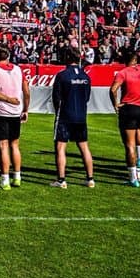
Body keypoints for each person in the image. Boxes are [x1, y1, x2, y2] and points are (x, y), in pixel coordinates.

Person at [109, 49, 140, 187]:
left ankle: (133, 178)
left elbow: (113, 89)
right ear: (136, 60)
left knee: (129, 145)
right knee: (138, 129)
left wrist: (116, 104)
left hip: (128, 107)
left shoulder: (123, 73)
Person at [50, 47, 95, 188]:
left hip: (65, 115)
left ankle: (61, 180)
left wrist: (59, 110)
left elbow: (56, 97)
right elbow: (87, 97)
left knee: (60, 146)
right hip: (81, 116)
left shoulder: (62, 75)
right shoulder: (85, 76)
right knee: (84, 146)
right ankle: (90, 178)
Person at [0, 45, 29, 191]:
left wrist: (7, 99)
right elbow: (27, 91)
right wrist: (25, 109)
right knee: (15, 145)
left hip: (1, 112)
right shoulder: (18, 69)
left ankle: (5, 180)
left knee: (3, 146)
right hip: (15, 112)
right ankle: (17, 177)